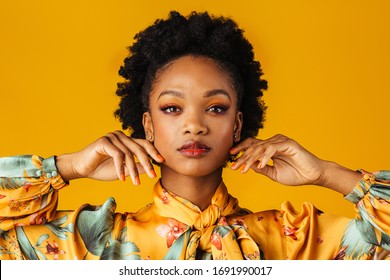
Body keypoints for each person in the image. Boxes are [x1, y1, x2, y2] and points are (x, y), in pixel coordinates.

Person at [0, 11, 389, 260]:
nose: (195, 125)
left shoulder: (295, 240)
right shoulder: (92, 242)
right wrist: (66, 167)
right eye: (172, 108)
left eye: (216, 108)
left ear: (237, 124)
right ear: (148, 124)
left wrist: (325, 173)